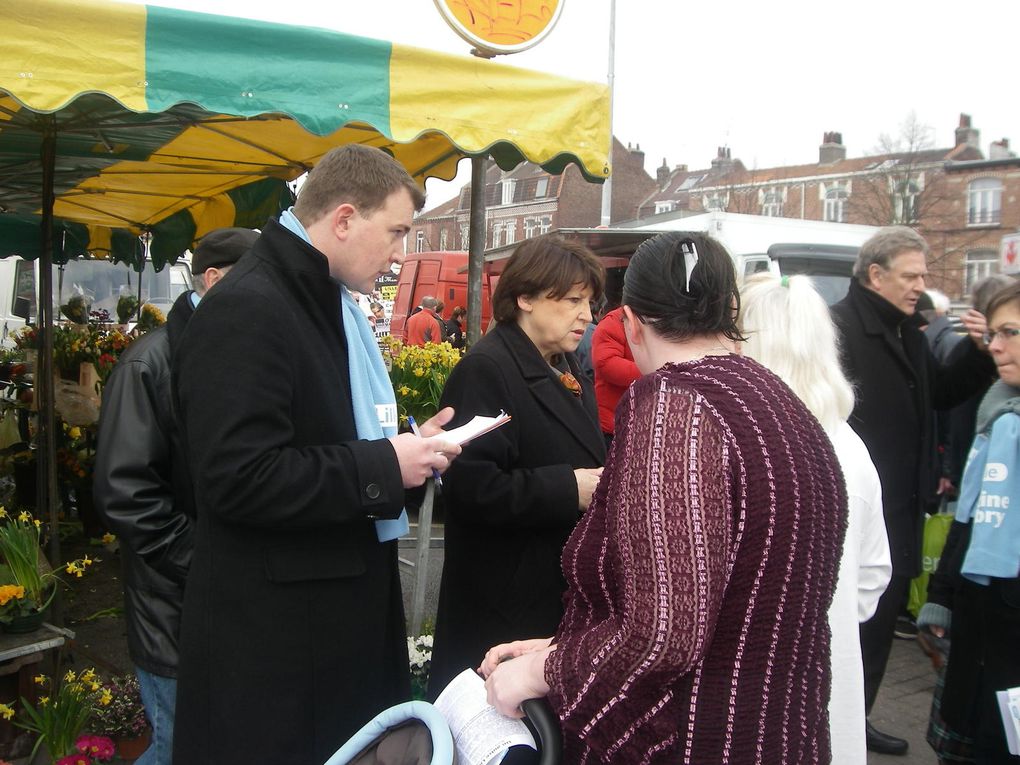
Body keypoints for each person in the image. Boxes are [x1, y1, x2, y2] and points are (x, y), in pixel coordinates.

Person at [481, 232, 847, 764]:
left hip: (703, 739)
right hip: (781, 731)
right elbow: (727, 594)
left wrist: (536, 674)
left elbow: (663, 634)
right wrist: (568, 649)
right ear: (730, 309)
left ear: (630, 322)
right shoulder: (777, 398)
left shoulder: (676, 405)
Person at [171, 145, 460, 764]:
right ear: (346, 219)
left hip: (318, 631)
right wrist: (386, 464)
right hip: (278, 651)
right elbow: (236, 478)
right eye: (397, 232)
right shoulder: (250, 308)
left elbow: (324, 429)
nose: (401, 253)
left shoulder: (323, 300)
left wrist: (411, 444)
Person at [94, 227, 258, 765]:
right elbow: (126, 494)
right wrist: (205, 560)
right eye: (255, 282)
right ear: (212, 280)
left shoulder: (233, 352)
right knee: (176, 748)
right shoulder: (150, 363)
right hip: (174, 610)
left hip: (223, 600)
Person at [830, 226, 996, 755]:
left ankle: (862, 712)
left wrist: (977, 351)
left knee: (880, 620)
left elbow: (941, 395)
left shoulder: (909, 331)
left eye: (923, 275)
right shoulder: (838, 329)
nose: (921, 285)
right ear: (875, 275)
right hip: (856, 505)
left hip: (902, 505)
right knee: (852, 623)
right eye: (912, 275)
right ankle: (835, 718)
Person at [428, 234, 606, 698]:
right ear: (524, 297)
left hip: (550, 593)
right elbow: (469, 489)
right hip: (502, 603)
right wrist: (568, 489)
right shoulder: (486, 370)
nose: (586, 316)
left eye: (588, 302)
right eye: (572, 300)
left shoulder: (565, 366)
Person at [740, 272, 892, 764]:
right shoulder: (851, 447)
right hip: (832, 680)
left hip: (749, 692)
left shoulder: (745, 443)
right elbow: (873, 574)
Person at [918, 278, 1020, 765]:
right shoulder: (998, 412)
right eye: (993, 332)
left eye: (1010, 332)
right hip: (983, 633)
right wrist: (942, 599)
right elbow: (971, 517)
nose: (994, 345)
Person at [591, 304, 640, 444]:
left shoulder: (663, 321)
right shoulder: (615, 321)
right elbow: (605, 363)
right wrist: (652, 371)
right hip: (613, 424)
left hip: (643, 422)